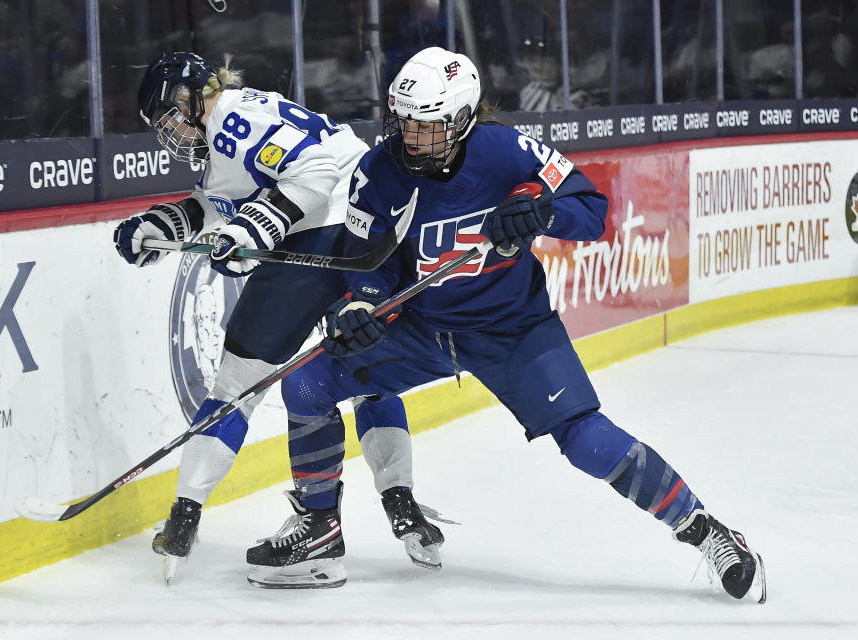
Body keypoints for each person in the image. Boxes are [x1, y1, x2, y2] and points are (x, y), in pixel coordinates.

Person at [252, 46, 767, 603]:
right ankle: (320, 529)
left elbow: (592, 210)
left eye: (428, 126)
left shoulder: (506, 150)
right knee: (306, 383)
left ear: (464, 119)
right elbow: (366, 262)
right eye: (404, 121)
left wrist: (543, 210)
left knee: (587, 440)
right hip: (424, 329)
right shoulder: (378, 171)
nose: (411, 137)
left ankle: (708, 531)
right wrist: (367, 311)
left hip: (513, 329)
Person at [113, 51, 444, 585]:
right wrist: (158, 225)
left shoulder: (231, 122)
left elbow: (314, 172)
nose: (169, 131)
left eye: (169, 116)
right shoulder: (233, 122)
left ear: (190, 98)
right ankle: (400, 504)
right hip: (361, 230)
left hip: (331, 236)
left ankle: (190, 515)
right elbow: (220, 201)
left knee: (237, 383)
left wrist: (249, 233)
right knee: (361, 376)